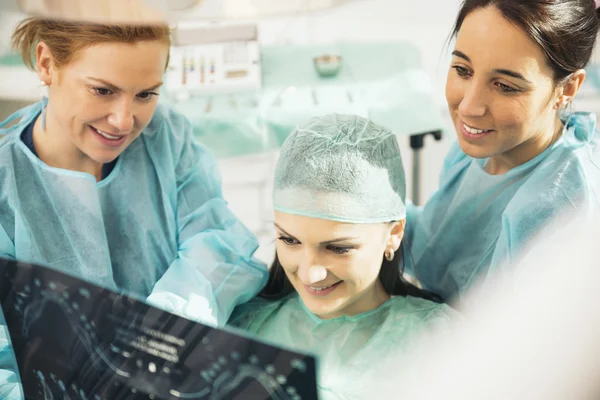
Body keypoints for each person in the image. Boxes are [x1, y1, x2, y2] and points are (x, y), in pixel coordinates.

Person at [0, 17, 267, 398]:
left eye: (146, 94)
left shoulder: (166, 136)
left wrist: (157, 331)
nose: (124, 121)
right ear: (46, 64)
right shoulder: (6, 186)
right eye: (103, 91)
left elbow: (216, 244)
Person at [228, 114, 457, 400]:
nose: (311, 274)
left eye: (338, 248)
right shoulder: (243, 327)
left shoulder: (442, 343)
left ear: (394, 233)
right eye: (289, 240)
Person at [405, 0, 600, 304]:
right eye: (462, 69)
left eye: (505, 86)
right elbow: (436, 242)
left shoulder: (568, 210)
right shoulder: (484, 145)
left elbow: (525, 343)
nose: (469, 107)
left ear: (568, 88)